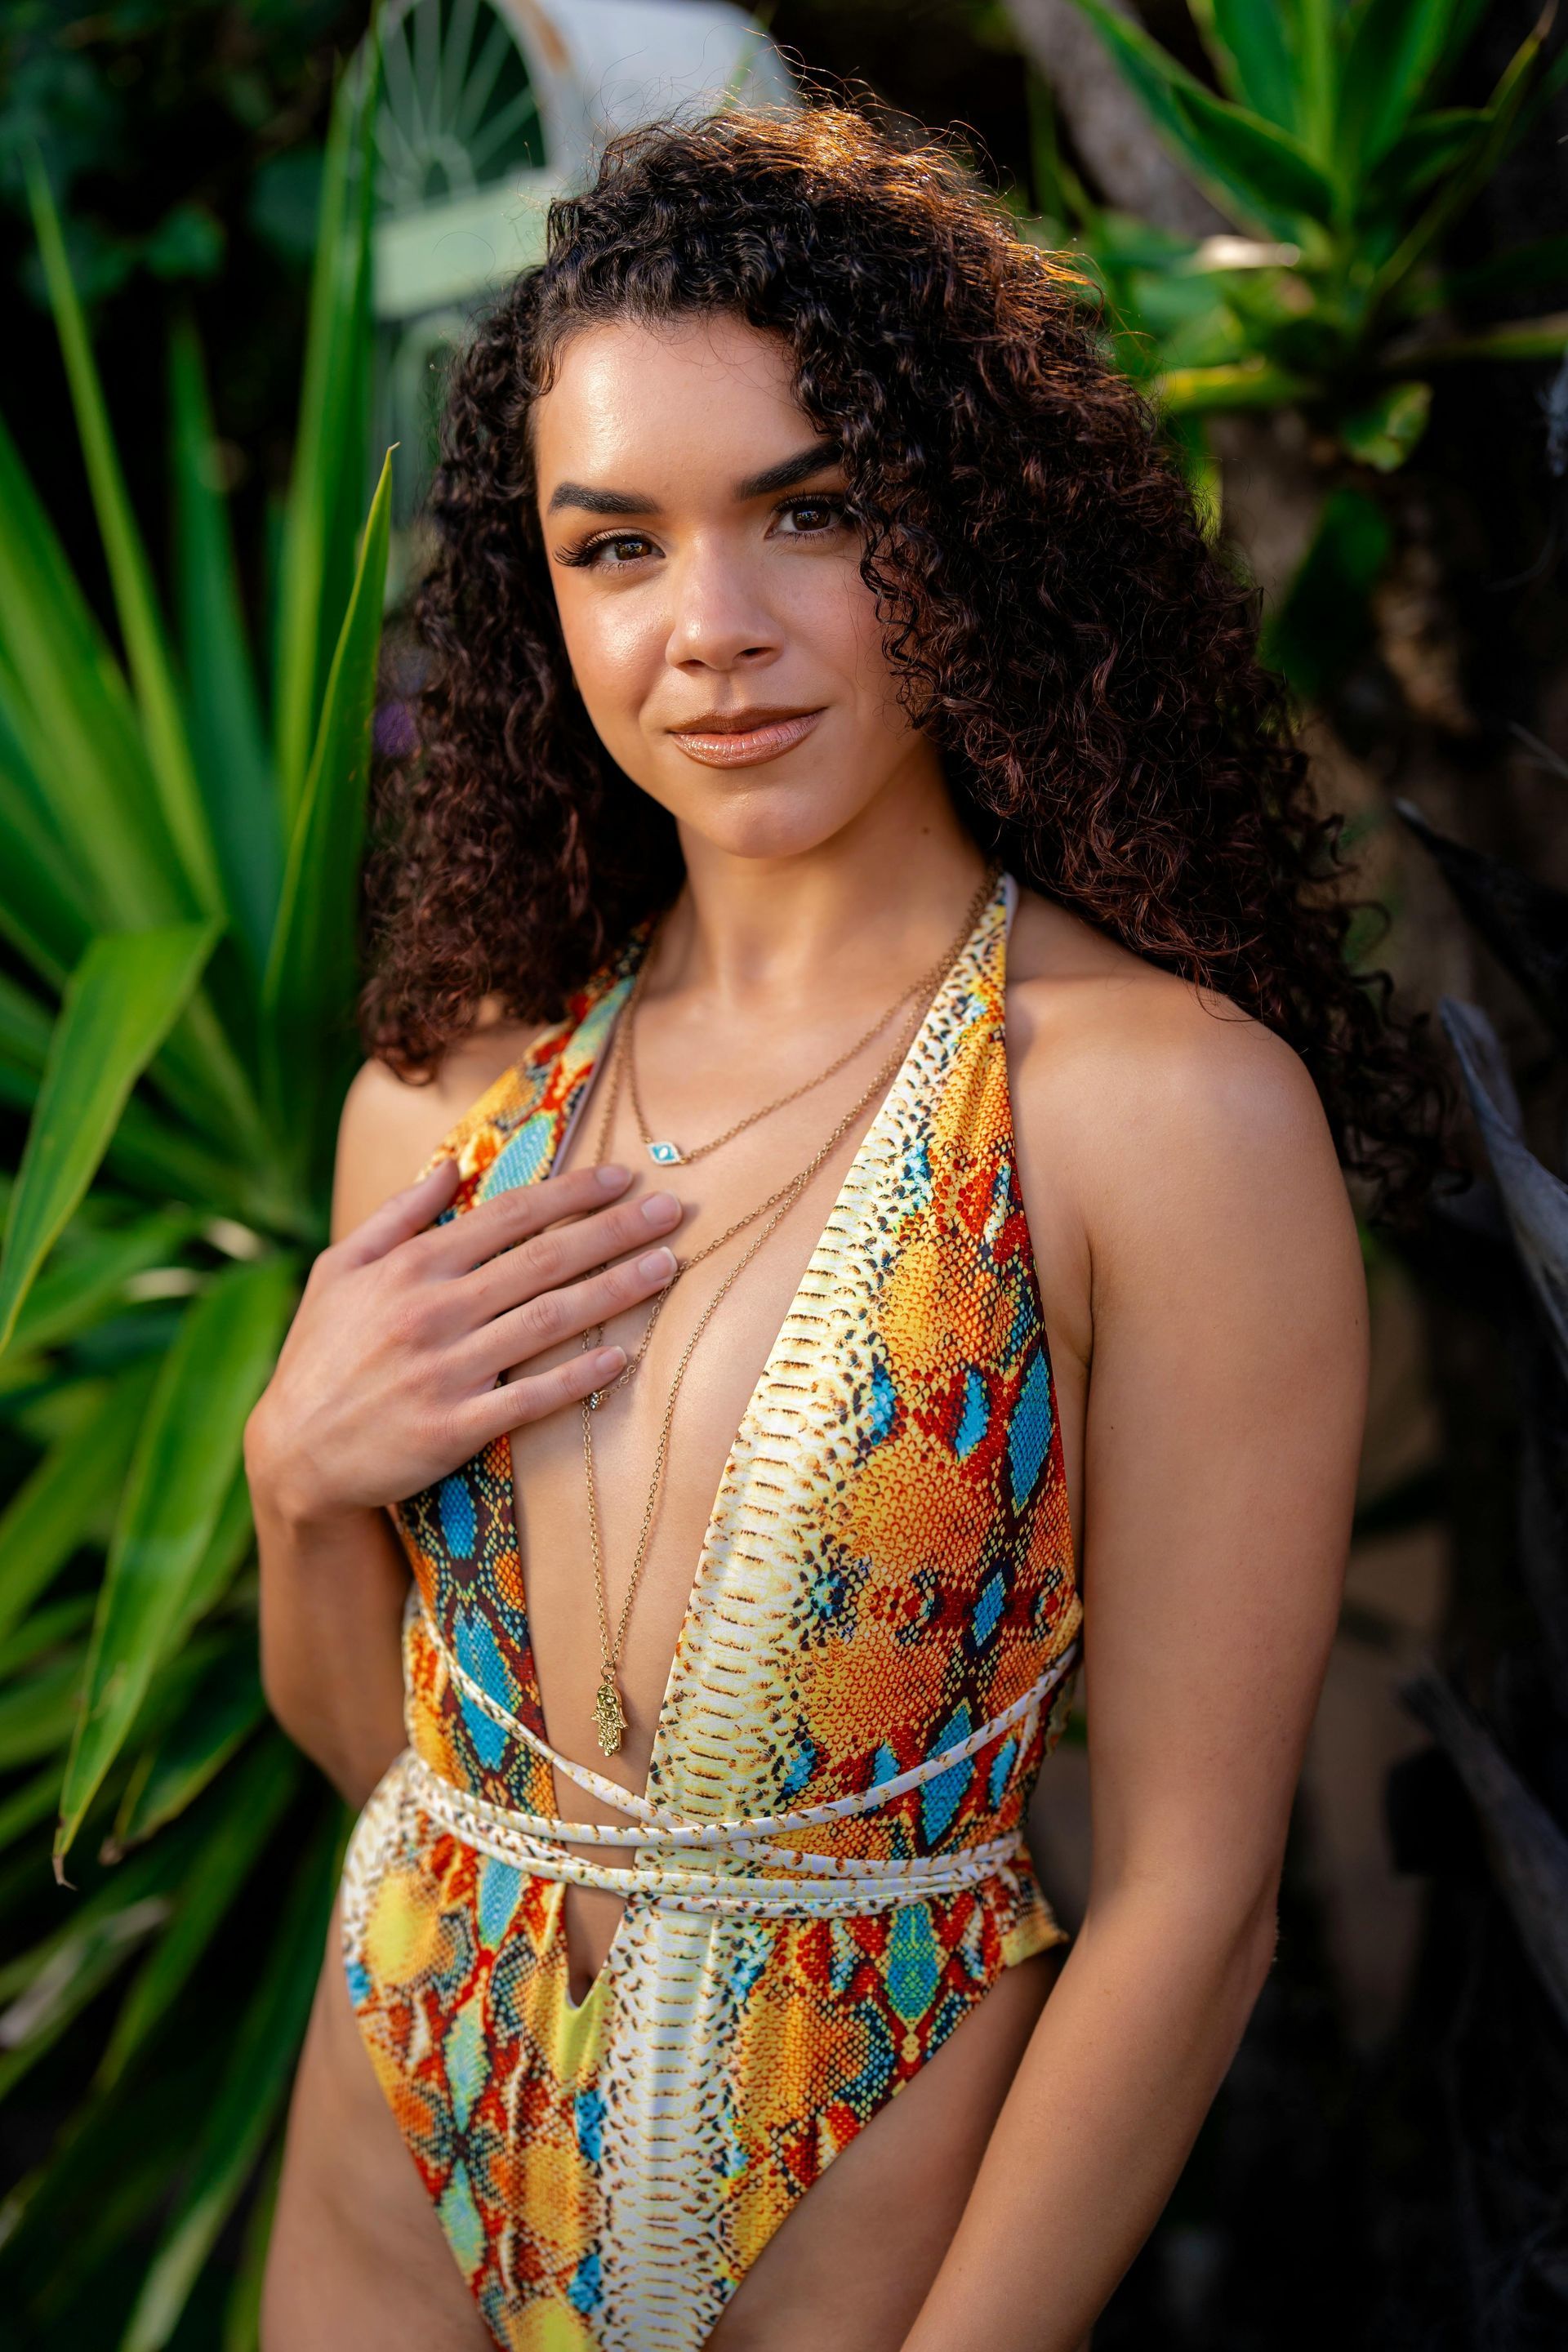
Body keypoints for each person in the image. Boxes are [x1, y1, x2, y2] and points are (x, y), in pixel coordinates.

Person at [247, 104, 1429, 2352]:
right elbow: (391, 1762)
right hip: (386, 2143)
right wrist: (300, 1486)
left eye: (814, 513)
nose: (714, 632)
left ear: (971, 533)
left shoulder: (1157, 1113)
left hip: (849, 2201)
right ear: (545, 597)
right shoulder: (444, 1104)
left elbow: (1195, 1897)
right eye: (616, 549)